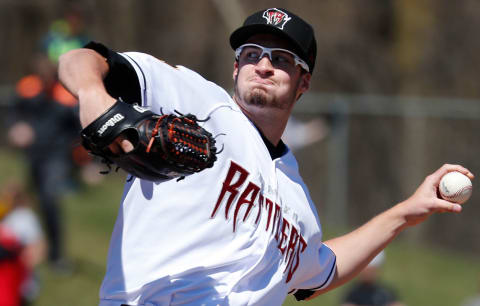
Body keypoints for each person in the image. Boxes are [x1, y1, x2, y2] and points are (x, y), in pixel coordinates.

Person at [58, 7, 474, 306]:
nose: (263, 65)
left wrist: (406, 212)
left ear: (303, 82)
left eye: (281, 59)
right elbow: (79, 59)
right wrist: (95, 96)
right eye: (252, 53)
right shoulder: (193, 98)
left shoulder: (298, 202)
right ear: (235, 67)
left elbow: (322, 269)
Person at [0, 181, 46, 306]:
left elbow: (38, 250)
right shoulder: (5, 216)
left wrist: (17, 263)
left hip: (18, 282)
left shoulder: (25, 217)